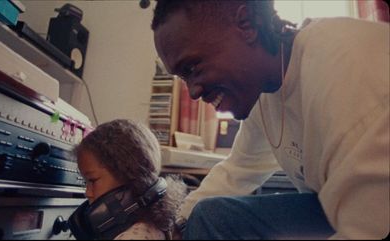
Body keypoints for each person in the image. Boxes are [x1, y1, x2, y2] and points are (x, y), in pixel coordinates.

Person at [151, 0, 389, 239]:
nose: (192, 93)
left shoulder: (350, 79)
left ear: (246, 25)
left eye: (192, 67)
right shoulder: (265, 87)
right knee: (211, 215)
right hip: (334, 209)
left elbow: (370, 230)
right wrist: (170, 228)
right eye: (183, 77)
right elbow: (238, 169)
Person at [71, 119, 187, 240]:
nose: (87, 192)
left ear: (130, 176)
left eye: (92, 180)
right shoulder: (152, 227)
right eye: (86, 182)